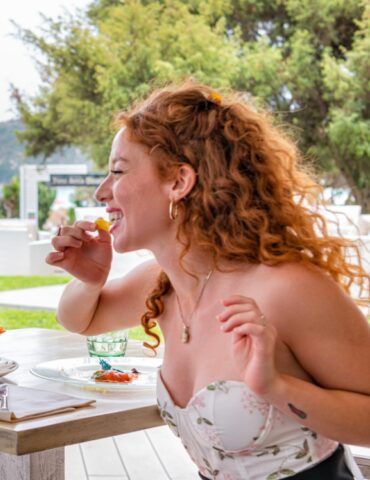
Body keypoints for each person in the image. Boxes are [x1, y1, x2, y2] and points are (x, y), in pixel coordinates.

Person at [48, 81, 370, 479]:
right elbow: (79, 320)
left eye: (117, 171)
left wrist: (278, 389)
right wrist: (91, 280)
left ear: (179, 182)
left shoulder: (286, 287)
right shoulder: (163, 284)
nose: (102, 192)